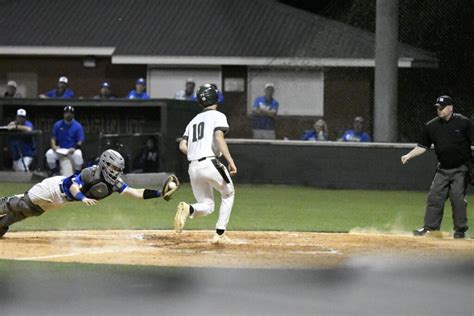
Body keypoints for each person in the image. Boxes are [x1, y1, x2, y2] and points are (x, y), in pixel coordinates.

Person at [0, 149, 179, 238]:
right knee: (22, 204)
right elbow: (71, 185)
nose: (116, 171)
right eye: (114, 167)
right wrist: (83, 198)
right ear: (105, 164)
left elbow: (135, 193)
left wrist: (159, 194)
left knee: (30, 212)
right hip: (54, 188)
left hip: (61, 201)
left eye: (118, 169)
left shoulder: (114, 183)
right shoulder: (90, 173)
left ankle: (2, 225)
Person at [401, 95, 473, 239]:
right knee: (434, 198)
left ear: (451, 108)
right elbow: (422, 146)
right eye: (437, 107)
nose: (439, 109)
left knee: (457, 199)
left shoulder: (464, 123)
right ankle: (430, 228)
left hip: (461, 168)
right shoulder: (431, 126)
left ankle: (460, 230)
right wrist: (409, 155)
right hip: (443, 169)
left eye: (442, 107)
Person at [175, 84, 237, 244]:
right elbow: (218, 137)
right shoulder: (218, 115)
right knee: (228, 194)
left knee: (207, 205)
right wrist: (230, 160)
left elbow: (182, 145)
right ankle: (220, 234)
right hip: (210, 163)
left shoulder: (193, 121)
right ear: (215, 98)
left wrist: (195, 153)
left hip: (193, 167)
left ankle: (188, 209)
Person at [45, 106, 85, 175]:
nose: (68, 114)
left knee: (79, 154)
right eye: (67, 113)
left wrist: (74, 148)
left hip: (71, 150)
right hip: (60, 149)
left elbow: (80, 141)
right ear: (64, 114)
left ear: (73, 114)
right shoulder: (58, 124)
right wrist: (54, 146)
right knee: (49, 153)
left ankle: (77, 174)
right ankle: (54, 172)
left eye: (70, 113)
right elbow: (53, 138)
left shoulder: (78, 126)